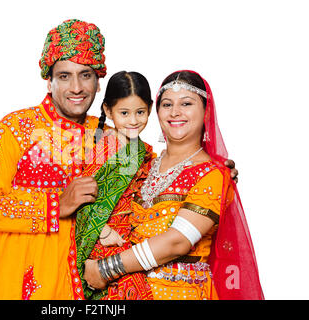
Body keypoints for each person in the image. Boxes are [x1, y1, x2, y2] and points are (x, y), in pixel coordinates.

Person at [0, 19, 108, 300]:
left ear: (98, 80)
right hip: (12, 277)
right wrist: (56, 206)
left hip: (84, 278)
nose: (77, 87)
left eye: (86, 75)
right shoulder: (16, 128)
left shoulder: (109, 135)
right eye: (65, 76)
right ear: (49, 81)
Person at [84, 70, 263, 300]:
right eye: (167, 104)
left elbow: (177, 242)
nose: (175, 112)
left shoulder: (213, 174)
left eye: (186, 103)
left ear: (206, 111)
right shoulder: (142, 164)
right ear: (155, 111)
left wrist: (105, 269)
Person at [74, 71, 155, 300]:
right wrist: (104, 231)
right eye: (124, 113)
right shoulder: (102, 147)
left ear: (150, 108)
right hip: (99, 241)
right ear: (108, 111)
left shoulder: (144, 152)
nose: (133, 120)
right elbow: (79, 197)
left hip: (129, 241)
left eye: (140, 112)